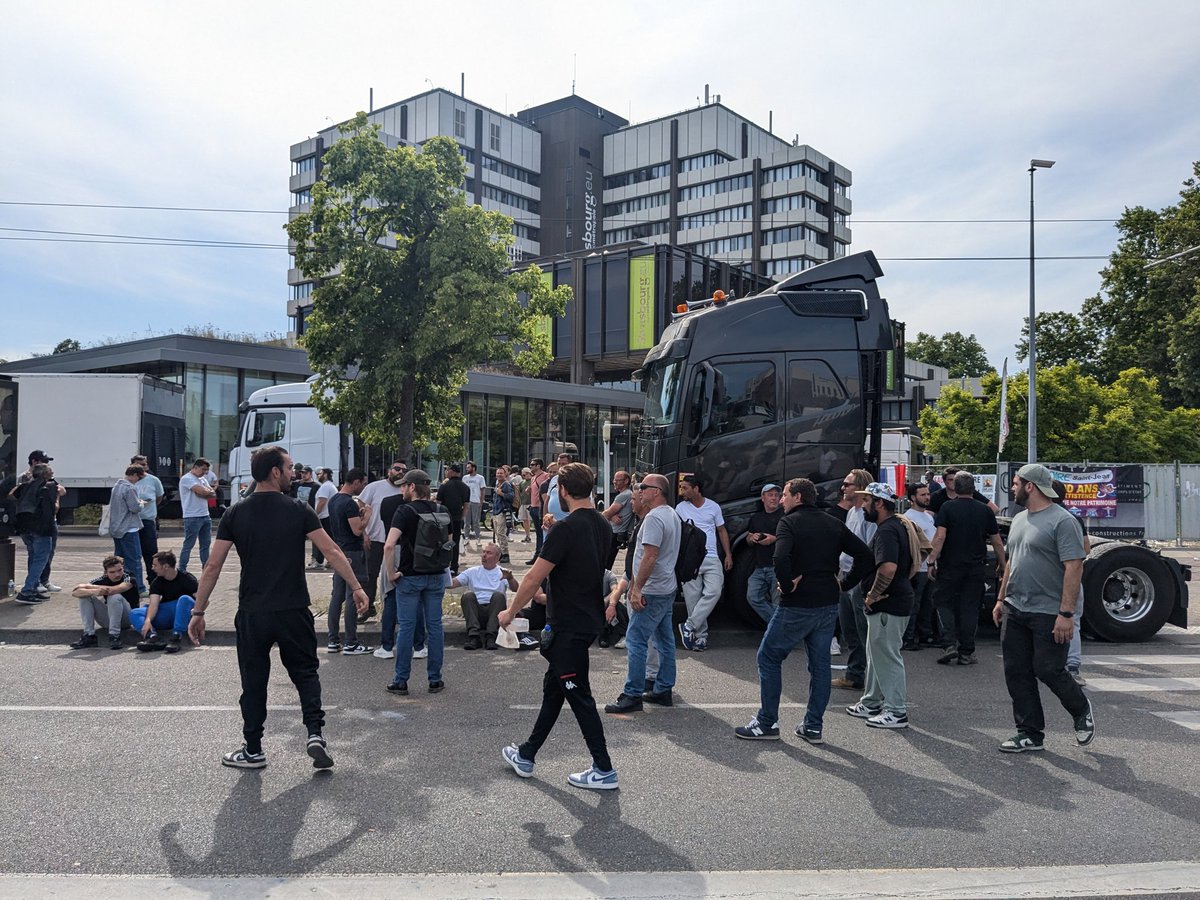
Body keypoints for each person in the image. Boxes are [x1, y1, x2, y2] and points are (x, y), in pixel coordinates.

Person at [187, 445, 369, 771]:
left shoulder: (235, 513)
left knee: (254, 682)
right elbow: (331, 550)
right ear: (274, 472)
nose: (293, 473)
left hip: (253, 612)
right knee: (306, 674)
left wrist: (198, 612)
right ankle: (315, 734)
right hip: (293, 609)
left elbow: (212, 566)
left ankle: (253, 750)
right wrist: (356, 587)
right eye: (288, 468)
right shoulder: (299, 509)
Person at [498, 462, 617, 790]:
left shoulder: (567, 529)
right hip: (586, 620)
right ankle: (527, 754)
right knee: (555, 690)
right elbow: (584, 565)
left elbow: (535, 576)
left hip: (568, 625)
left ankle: (604, 768)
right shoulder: (601, 526)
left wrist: (510, 611)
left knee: (579, 696)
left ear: (563, 491)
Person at [735, 478, 872, 743]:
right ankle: (812, 726)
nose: (782, 499)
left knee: (768, 657)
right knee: (820, 666)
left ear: (798, 497)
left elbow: (780, 556)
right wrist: (844, 584)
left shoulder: (788, 522)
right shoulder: (833, 521)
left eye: (785, 494)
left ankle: (767, 723)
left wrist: (785, 586)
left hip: (798, 604)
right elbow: (865, 555)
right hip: (827, 604)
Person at [993, 464, 1094, 753]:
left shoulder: (1063, 521)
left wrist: (1066, 614)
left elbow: (1074, 567)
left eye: (1015, 483)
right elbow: (1012, 562)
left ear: (1030, 486)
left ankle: (1080, 709)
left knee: (1048, 669)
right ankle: (1029, 733)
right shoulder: (1019, 519)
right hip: (1015, 607)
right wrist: (1001, 600)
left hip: (1049, 611)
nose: (1011, 488)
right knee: (1017, 671)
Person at [604, 473, 679, 714]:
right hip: (665, 587)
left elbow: (650, 556)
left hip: (652, 590)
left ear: (656, 491)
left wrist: (637, 590)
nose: (640, 490)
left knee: (636, 640)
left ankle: (633, 694)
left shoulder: (655, 518)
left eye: (644, 487)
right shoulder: (672, 514)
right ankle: (663, 689)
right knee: (665, 639)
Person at [845, 483, 915, 730]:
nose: (863, 505)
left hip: (889, 604)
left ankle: (896, 711)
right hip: (889, 602)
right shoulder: (891, 526)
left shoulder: (887, 531)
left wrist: (873, 595)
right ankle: (871, 701)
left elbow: (888, 567)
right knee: (876, 654)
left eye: (867, 501)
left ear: (879, 503)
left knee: (887, 656)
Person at [926, 470, 1006, 666]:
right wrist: (1002, 565)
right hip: (975, 567)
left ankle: (949, 644)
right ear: (974, 488)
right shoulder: (984, 510)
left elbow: (940, 537)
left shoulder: (947, 508)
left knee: (943, 603)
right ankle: (966, 652)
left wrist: (931, 561)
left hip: (950, 565)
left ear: (956, 487)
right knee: (970, 607)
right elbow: (996, 542)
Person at [384, 469, 449, 696]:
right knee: (435, 626)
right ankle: (435, 679)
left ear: (412, 487)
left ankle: (401, 680)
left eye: (404, 485)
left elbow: (389, 545)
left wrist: (391, 573)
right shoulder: (441, 509)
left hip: (410, 576)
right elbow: (448, 542)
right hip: (436, 574)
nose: (401, 489)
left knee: (407, 628)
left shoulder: (404, 511)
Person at [676, 474, 732, 651]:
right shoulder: (679, 508)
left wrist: (728, 554)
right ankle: (700, 637)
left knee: (714, 591)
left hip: (711, 556)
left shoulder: (713, 507)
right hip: (689, 558)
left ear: (696, 489)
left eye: (685, 488)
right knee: (693, 599)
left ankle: (689, 625)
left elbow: (721, 531)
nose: (682, 491)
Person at [831, 469, 875, 690]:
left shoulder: (868, 515)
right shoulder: (851, 513)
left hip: (859, 579)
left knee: (863, 630)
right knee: (850, 631)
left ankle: (870, 679)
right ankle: (855, 675)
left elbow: (869, 552)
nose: (843, 488)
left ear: (859, 488)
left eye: (847, 484)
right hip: (845, 576)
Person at [325, 468, 372, 656]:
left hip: (339, 550)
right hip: (353, 551)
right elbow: (357, 530)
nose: (364, 486)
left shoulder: (334, 500)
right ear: (355, 482)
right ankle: (351, 642)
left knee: (337, 596)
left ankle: (333, 640)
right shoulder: (349, 503)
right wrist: (367, 515)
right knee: (354, 595)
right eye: (363, 483)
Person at [357, 461, 407, 622]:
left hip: (398, 543)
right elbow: (360, 508)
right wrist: (363, 533)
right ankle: (367, 607)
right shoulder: (374, 487)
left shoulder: (405, 490)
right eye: (397, 469)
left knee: (395, 577)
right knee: (370, 575)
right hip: (375, 539)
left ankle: (394, 611)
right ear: (389, 471)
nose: (400, 472)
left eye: (403, 470)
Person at [453, 543, 518, 650]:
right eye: (483, 552)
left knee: (498, 596)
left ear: (497, 557)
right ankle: (474, 637)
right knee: (467, 595)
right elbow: (453, 583)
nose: (484, 555)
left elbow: (516, 589)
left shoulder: (502, 572)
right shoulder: (472, 571)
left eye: (488, 553)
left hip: (494, 613)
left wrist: (510, 579)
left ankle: (491, 637)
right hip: (476, 613)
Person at [131, 550, 198, 653]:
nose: (152, 568)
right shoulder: (157, 582)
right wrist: (148, 620)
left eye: (155, 565)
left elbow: (203, 601)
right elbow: (153, 605)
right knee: (135, 612)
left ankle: (177, 636)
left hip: (183, 613)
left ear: (166, 566)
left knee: (184, 599)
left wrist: (199, 616)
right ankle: (152, 637)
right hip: (167, 613)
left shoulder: (187, 579)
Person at [12, 462, 58, 605]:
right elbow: (51, 509)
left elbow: (13, 495)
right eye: (50, 471)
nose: (52, 473)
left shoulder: (25, 485)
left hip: (24, 526)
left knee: (33, 556)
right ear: (45, 474)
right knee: (41, 558)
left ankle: (34, 589)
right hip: (40, 527)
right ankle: (27, 591)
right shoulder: (48, 486)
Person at [69, 555, 137, 650]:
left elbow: (116, 589)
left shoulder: (129, 577)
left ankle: (114, 636)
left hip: (128, 618)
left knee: (114, 596)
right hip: (108, 619)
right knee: (84, 596)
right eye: (112, 572)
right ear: (105, 572)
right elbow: (76, 592)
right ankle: (89, 635)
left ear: (123, 568)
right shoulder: (102, 580)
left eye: (119, 570)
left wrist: (87, 586)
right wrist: (93, 592)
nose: (117, 574)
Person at [901, 482, 940, 651]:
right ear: (912, 498)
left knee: (927, 603)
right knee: (914, 604)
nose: (927, 497)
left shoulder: (929, 516)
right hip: (918, 568)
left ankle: (925, 635)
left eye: (927, 494)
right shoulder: (908, 518)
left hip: (930, 566)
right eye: (922, 495)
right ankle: (907, 638)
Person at [744, 483, 785, 625]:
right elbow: (748, 539)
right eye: (770, 495)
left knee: (777, 603)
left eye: (776, 495)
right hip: (759, 567)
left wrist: (773, 539)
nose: (774, 498)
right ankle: (778, 627)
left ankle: (777, 632)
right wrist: (752, 538)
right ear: (763, 498)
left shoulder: (785, 516)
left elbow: (793, 539)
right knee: (753, 597)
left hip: (777, 567)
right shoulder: (756, 518)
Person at [109, 464, 147, 594]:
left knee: (118, 560)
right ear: (135, 475)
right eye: (139, 478)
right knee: (134, 559)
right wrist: (141, 503)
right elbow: (134, 508)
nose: (138, 481)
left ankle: (119, 584)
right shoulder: (129, 488)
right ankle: (138, 588)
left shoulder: (117, 486)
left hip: (117, 527)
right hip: (128, 528)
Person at [178, 458, 216, 573]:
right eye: (203, 469)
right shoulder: (187, 479)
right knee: (189, 544)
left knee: (205, 544)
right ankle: (182, 569)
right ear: (195, 467)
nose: (204, 472)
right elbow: (204, 492)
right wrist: (206, 492)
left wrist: (206, 492)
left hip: (205, 515)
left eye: (206, 470)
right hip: (192, 516)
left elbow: (212, 494)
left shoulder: (202, 479)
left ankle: (206, 568)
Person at [132, 454, 164, 582]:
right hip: (132, 521)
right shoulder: (129, 480)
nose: (144, 467)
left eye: (145, 464)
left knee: (150, 552)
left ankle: (153, 580)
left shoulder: (153, 480)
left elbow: (159, 497)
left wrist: (149, 507)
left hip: (148, 520)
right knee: (133, 554)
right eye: (140, 465)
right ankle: (134, 581)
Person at [437, 463, 472, 576]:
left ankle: (444, 564)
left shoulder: (444, 486)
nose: (446, 472)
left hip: (444, 518)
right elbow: (466, 506)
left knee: (443, 541)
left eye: (447, 470)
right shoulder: (465, 487)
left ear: (451, 471)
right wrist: (461, 518)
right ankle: (454, 566)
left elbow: (438, 503)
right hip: (457, 519)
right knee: (455, 542)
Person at [600, 470, 635, 571]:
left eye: (617, 480)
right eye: (614, 480)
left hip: (615, 532)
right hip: (617, 531)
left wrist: (610, 515)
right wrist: (612, 516)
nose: (614, 482)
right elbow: (610, 514)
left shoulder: (624, 495)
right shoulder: (627, 494)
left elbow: (606, 514)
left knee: (606, 561)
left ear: (626, 481)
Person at [929, 466, 1000, 515]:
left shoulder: (971, 493)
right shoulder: (936, 496)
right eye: (950, 480)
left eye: (956, 480)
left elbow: (995, 509)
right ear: (944, 481)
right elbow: (927, 515)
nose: (954, 482)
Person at [310, 468, 338, 569]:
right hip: (329, 516)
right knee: (329, 540)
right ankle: (329, 561)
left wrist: (314, 514)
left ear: (325, 475)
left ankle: (319, 561)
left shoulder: (325, 487)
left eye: (319, 474)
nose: (317, 475)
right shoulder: (330, 486)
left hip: (324, 517)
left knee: (321, 540)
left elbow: (322, 502)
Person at [526, 458, 550, 562]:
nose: (531, 466)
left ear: (538, 466)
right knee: (538, 533)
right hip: (533, 506)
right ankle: (537, 555)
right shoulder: (533, 478)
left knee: (543, 532)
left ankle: (540, 556)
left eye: (532, 465)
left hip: (541, 507)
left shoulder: (545, 476)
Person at [491, 465, 515, 564]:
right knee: (498, 534)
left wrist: (502, 494)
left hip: (502, 512)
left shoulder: (506, 485)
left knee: (501, 533)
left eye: (501, 473)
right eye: (498, 473)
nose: (499, 475)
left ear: (506, 474)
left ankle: (505, 554)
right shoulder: (497, 484)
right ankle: (501, 553)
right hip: (496, 512)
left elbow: (511, 496)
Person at [463, 461, 486, 546]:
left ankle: (478, 537)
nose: (467, 469)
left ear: (473, 468)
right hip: (467, 502)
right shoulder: (465, 478)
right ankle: (466, 537)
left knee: (476, 521)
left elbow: (482, 490)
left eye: (469, 467)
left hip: (476, 501)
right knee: (466, 521)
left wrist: (481, 501)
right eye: (467, 467)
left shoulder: (480, 478)